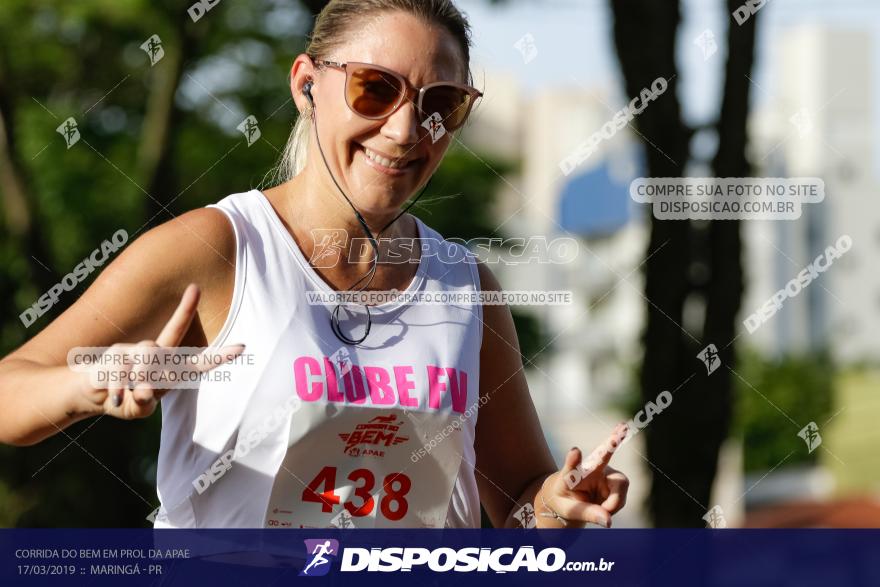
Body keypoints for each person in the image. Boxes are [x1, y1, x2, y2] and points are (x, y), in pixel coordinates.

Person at [0, 0, 629, 529]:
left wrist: (555, 504)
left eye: (441, 102)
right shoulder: (217, 248)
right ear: (307, 85)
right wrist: (91, 380)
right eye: (375, 88)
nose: (406, 128)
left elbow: (520, 500)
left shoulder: (467, 287)